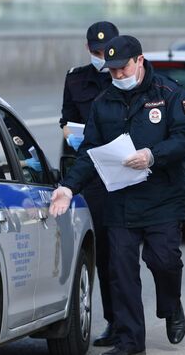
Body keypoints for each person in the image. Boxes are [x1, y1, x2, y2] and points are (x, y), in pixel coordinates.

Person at [50, 35, 185, 355]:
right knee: (121, 274)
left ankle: (171, 307)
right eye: (112, 71)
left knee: (164, 261)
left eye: (123, 68)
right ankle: (131, 343)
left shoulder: (169, 94)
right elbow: (89, 150)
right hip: (121, 200)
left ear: (139, 61)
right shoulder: (104, 102)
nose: (118, 76)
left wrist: (152, 155)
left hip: (163, 198)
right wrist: (68, 187)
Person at [59, 20, 119, 347]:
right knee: (106, 254)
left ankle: (168, 306)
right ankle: (115, 321)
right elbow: (65, 121)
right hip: (92, 175)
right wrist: (72, 136)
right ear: (88, 50)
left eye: (106, 50)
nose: (101, 56)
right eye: (95, 51)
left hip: (125, 175)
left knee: (133, 254)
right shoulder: (76, 78)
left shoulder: (125, 76)